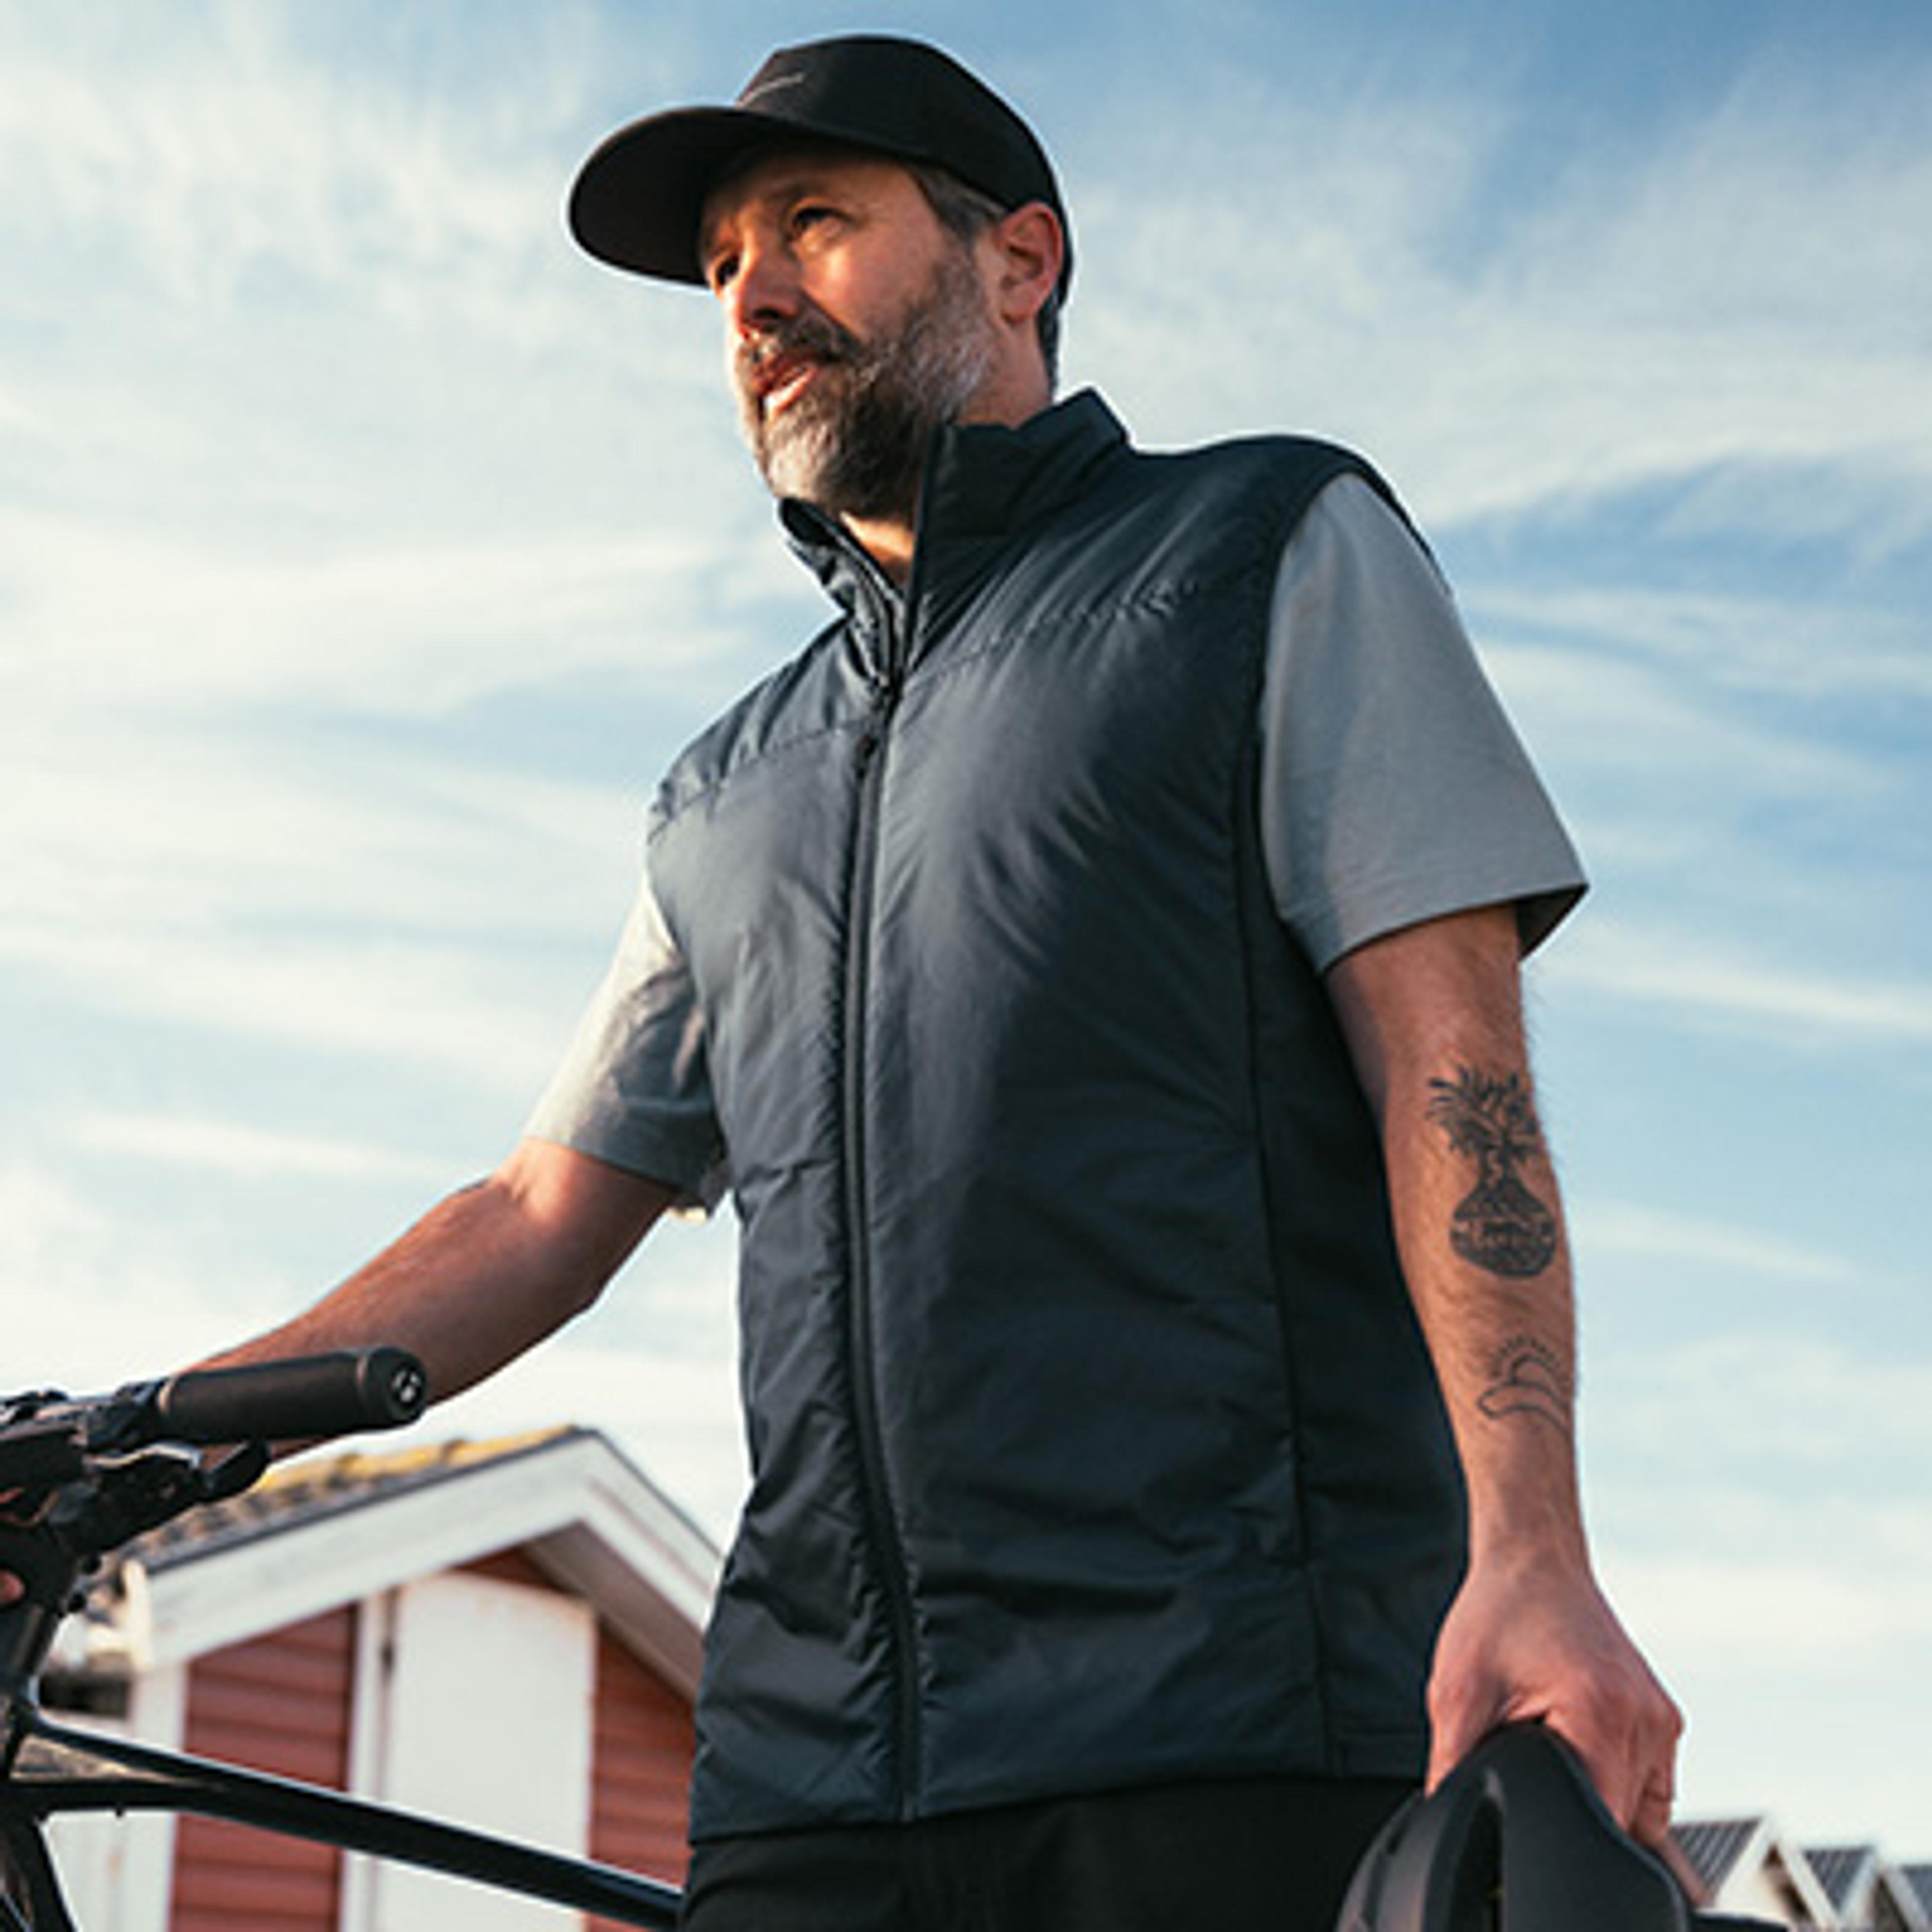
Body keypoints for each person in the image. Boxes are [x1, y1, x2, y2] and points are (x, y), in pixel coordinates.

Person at [16, 35, 1682, 1932]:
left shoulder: (1269, 552)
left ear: (1018, 261)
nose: (755, 299)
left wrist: (1535, 1549)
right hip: (809, 1791)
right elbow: (538, 1210)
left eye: (815, 222)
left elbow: (1457, 1081)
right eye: (725, 266)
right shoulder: (729, 787)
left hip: (1228, 1740)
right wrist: (130, 1439)